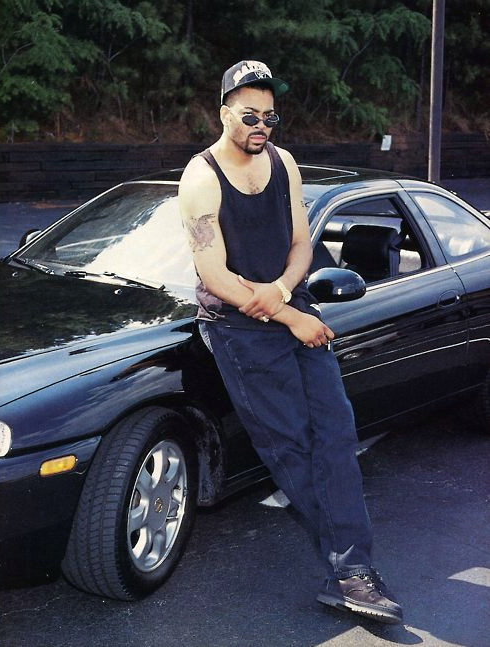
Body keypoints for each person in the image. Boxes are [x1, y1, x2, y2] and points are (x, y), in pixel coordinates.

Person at [178, 60, 403, 625]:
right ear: (224, 113)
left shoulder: (283, 162)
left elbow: (302, 243)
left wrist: (282, 294)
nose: (261, 125)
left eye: (270, 116)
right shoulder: (201, 177)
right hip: (238, 329)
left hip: (292, 309)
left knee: (337, 434)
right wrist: (286, 314)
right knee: (291, 446)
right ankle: (351, 570)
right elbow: (215, 275)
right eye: (249, 115)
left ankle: (351, 568)